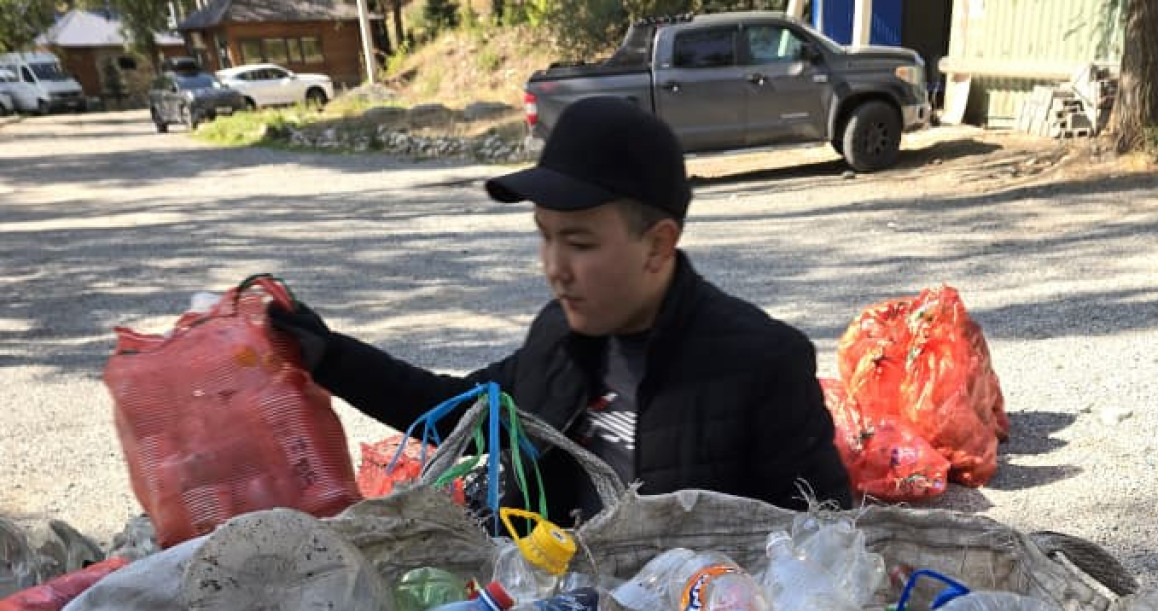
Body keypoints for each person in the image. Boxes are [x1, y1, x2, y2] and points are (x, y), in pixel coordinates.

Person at [270, 96, 851, 525]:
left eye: (578, 243)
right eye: (544, 236)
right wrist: (330, 356)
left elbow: (826, 539)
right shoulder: (560, 336)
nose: (554, 267)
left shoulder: (762, 363)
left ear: (657, 245)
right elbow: (457, 413)